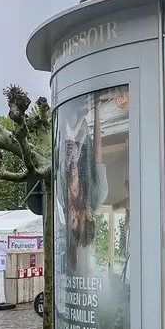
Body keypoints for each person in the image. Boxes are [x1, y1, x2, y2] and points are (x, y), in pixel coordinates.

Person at [65, 96, 108, 269]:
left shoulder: (64, 201)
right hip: (82, 138)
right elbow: (98, 156)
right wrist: (97, 111)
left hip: (67, 138)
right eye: (78, 220)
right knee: (76, 112)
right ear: (88, 218)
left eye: (72, 222)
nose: (73, 217)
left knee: (72, 112)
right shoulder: (99, 194)